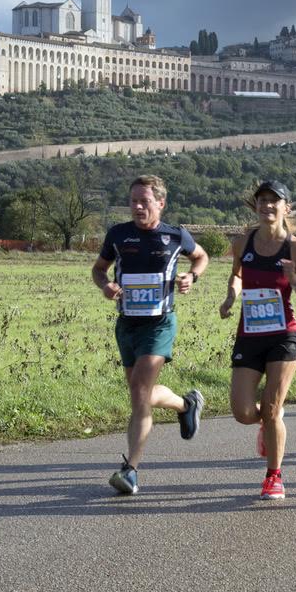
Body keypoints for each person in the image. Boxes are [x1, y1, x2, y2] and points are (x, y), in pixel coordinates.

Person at [92, 174, 209, 495]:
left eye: (144, 201)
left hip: (159, 324)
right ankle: (186, 405)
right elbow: (98, 268)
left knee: (140, 393)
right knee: (139, 393)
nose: (138, 207)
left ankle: (130, 470)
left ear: (160, 203)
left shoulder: (175, 236)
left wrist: (191, 277)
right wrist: (106, 285)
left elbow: (201, 256)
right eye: (133, 201)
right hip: (127, 324)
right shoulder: (118, 235)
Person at [221, 181, 296, 500]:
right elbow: (236, 275)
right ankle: (268, 419)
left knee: (273, 408)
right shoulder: (243, 241)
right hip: (249, 334)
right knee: (242, 411)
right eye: (262, 200)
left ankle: (274, 475)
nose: (267, 206)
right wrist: (230, 298)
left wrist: (294, 282)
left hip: (284, 335)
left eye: (274, 201)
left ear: (286, 208)